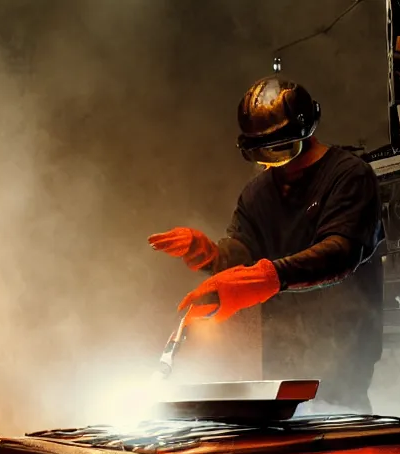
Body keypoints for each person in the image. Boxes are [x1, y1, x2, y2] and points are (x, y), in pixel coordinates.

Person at [148, 75, 384, 413]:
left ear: (306, 132)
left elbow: (341, 252)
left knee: (338, 435)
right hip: (282, 352)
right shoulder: (258, 193)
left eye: (278, 148)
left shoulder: (350, 176)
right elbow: (244, 250)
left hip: (344, 349)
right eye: (260, 152)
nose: (269, 161)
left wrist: (270, 276)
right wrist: (214, 255)